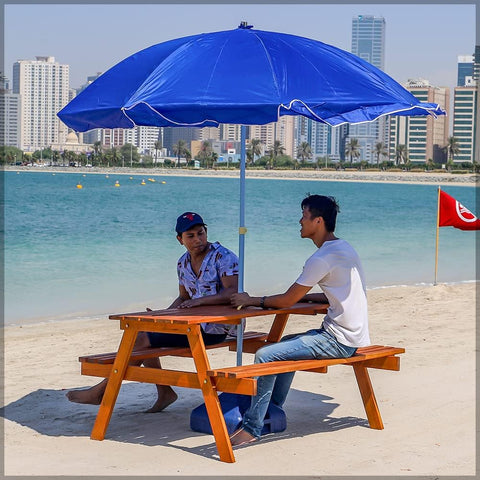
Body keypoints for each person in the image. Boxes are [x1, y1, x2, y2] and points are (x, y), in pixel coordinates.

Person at [229, 194, 370, 446]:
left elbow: (285, 301)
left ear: (318, 221)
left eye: (304, 216)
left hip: (339, 339)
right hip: (352, 334)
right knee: (286, 345)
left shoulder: (321, 258)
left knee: (266, 354)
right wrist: (310, 298)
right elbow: (335, 290)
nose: (300, 221)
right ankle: (272, 410)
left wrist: (252, 299)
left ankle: (252, 428)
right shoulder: (343, 248)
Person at [66, 212, 239, 412]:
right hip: (191, 326)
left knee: (140, 337)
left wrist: (199, 302)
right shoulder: (182, 263)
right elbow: (184, 298)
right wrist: (163, 315)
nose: (198, 239)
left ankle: (103, 390)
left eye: (201, 233)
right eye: (190, 236)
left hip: (217, 329)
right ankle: (164, 392)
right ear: (179, 239)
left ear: (206, 232)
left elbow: (232, 292)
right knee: (145, 328)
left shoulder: (224, 257)